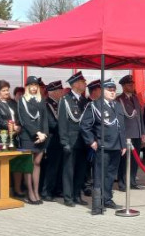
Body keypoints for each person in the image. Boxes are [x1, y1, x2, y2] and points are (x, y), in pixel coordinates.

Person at [80, 79, 127, 214]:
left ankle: (107, 199)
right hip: (103, 146)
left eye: (113, 90)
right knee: (100, 175)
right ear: (102, 91)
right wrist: (91, 141)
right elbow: (85, 125)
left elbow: (121, 126)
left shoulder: (117, 105)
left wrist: (123, 144)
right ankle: (97, 204)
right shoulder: (94, 105)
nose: (112, 93)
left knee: (111, 175)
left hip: (116, 146)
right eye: (109, 90)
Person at [16, 76, 52, 205]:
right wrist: (37, 132)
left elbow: (44, 119)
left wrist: (44, 134)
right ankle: (30, 192)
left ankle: (36, 192)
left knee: (37, 163)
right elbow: (24, 120)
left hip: (41, 137)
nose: (33, 87)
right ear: (27, 87)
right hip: (28, 136)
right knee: (29, 165)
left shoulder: (41, 100)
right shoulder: (22, 100)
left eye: (35, 85)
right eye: (31, 85)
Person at [58, 72, 89, 207]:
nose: (85, 84)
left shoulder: (84, 101)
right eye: (83, 82)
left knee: (81, 170)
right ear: (75, 84)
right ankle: (68, 197)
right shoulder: (65, 100)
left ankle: (77, 195)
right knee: (69, 170)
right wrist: (64, 142)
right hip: (71, 141)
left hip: (82, 141)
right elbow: (63, 123)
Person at [0, 80, 24, 196]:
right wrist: (11, 126)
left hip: (15, 137)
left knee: (17, 163)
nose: (6, 92)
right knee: (3, 164)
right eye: (3, 90)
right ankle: (5, 190)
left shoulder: (13, 103)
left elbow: (18, 116)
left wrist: (18, 126)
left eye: (7, 90)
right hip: (2, 138)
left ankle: (18, 189)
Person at [116, 74, 145, 191]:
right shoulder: (119, 100)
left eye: (132, 84)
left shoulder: (135, 98)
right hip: (126, 135)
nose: (132, 86)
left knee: (135, 160)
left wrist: (142, 133)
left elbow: (140, 117)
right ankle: (122, 182)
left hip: (137, 134)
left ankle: (132, 181)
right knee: (124, 161)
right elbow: (119, 120)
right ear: (123, 86)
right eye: (129, 84)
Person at [40, 81, 64, 201]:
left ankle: (56, 189)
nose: (62, 93)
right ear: (53, 92)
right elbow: (51, 123)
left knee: (59, 166)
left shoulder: (59, 104)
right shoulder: (46, 104)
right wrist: (65, 128)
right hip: (51, 139)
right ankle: (46, 191)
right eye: (60, 91)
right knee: (51, 167)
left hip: (60, 139)